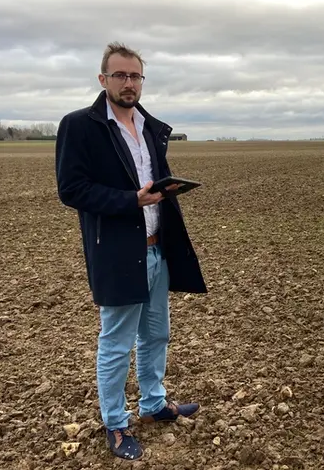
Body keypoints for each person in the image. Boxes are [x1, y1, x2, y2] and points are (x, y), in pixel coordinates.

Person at [54, 41, 208, 461]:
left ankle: (154, 403)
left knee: (157, 334)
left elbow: (149, 182)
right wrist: (130, 201)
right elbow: (71, 189)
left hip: (158, 250)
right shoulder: (80, 125)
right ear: (103, 79)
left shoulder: (151, 127)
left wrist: (163, 190)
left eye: (135, 75)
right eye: (119, 75)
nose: (128, 83)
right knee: (117, 342)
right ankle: (116, 423)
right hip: (119, 253)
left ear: (142, 80)